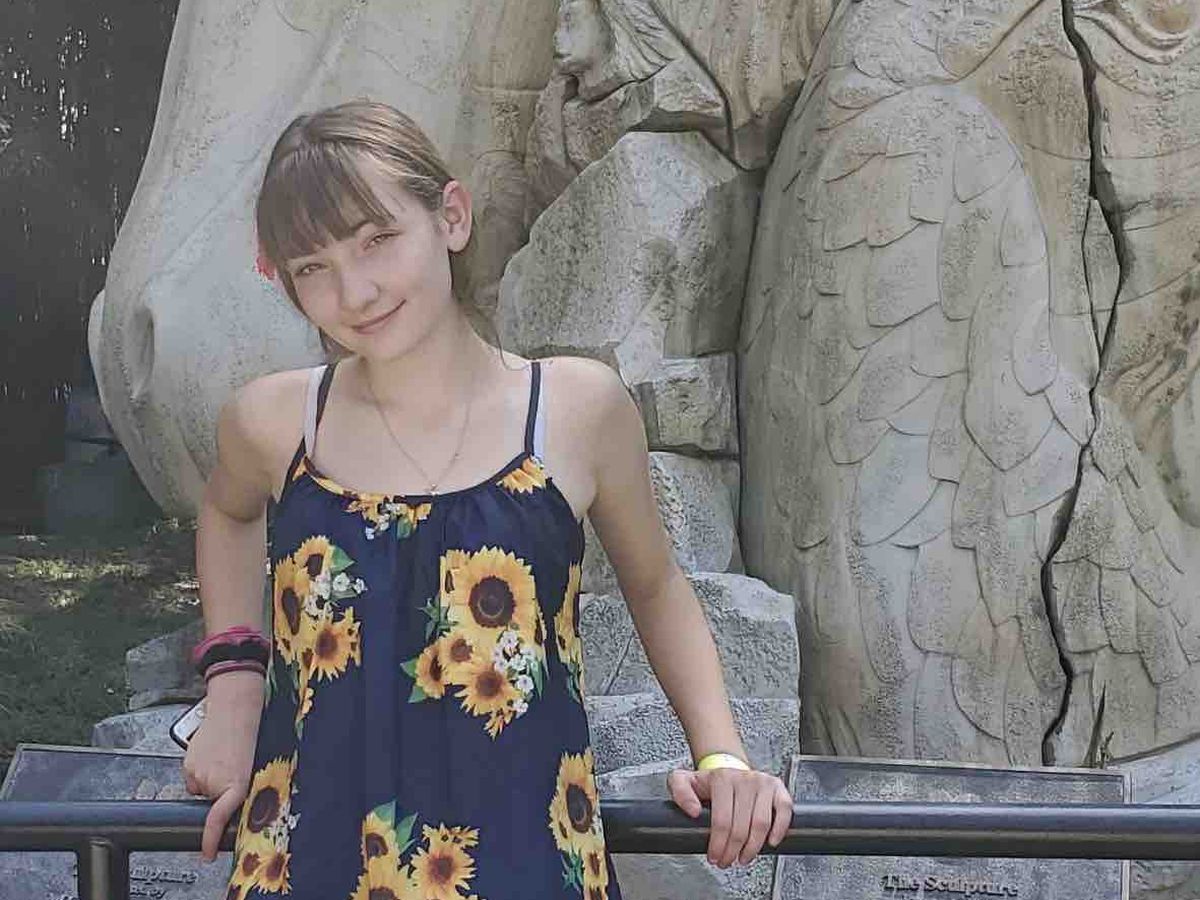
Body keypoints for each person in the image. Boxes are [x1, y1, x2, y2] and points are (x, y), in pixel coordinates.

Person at [182, 99, 793, 899]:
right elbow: (228, 513)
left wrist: (721, 755)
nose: (355, 291)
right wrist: (233, 682)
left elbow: (655, 584)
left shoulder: (576, 410)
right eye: (312, 268)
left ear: (452, 216)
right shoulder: (274, 423)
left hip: (528, 862)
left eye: (377, 239)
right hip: (309, 864)